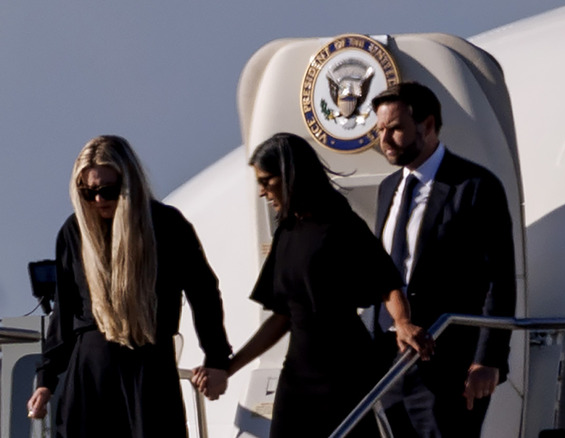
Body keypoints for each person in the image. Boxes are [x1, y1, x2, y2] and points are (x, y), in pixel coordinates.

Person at [193, 132, 433, 438]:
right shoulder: (288, 230)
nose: (262, 192)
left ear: (290, 176)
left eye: (267, 181)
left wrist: (402, 323)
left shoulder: (340, 224)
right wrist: (229, 367)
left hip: (343, 373)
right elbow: (282, 318)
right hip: (298, 375)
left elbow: (387, 284)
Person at [26, 135, 231, 437]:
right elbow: (64, 311)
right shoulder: (74, 231)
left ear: (129, 182)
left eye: (108, 190)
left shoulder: (166, 224)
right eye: (88, 191)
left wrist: (216, 359)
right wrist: (46, 379)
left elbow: (203, 292)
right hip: (90, 369)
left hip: (148, 363)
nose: (98, 200)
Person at [370, 81, 517, 437]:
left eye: (395, 129)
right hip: (391, 361)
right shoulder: (388, 188)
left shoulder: (475, 186)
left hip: (451, 363)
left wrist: (487, 360)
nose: (384, 140)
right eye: (379, 130)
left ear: (429, 125)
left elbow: (499, 279)